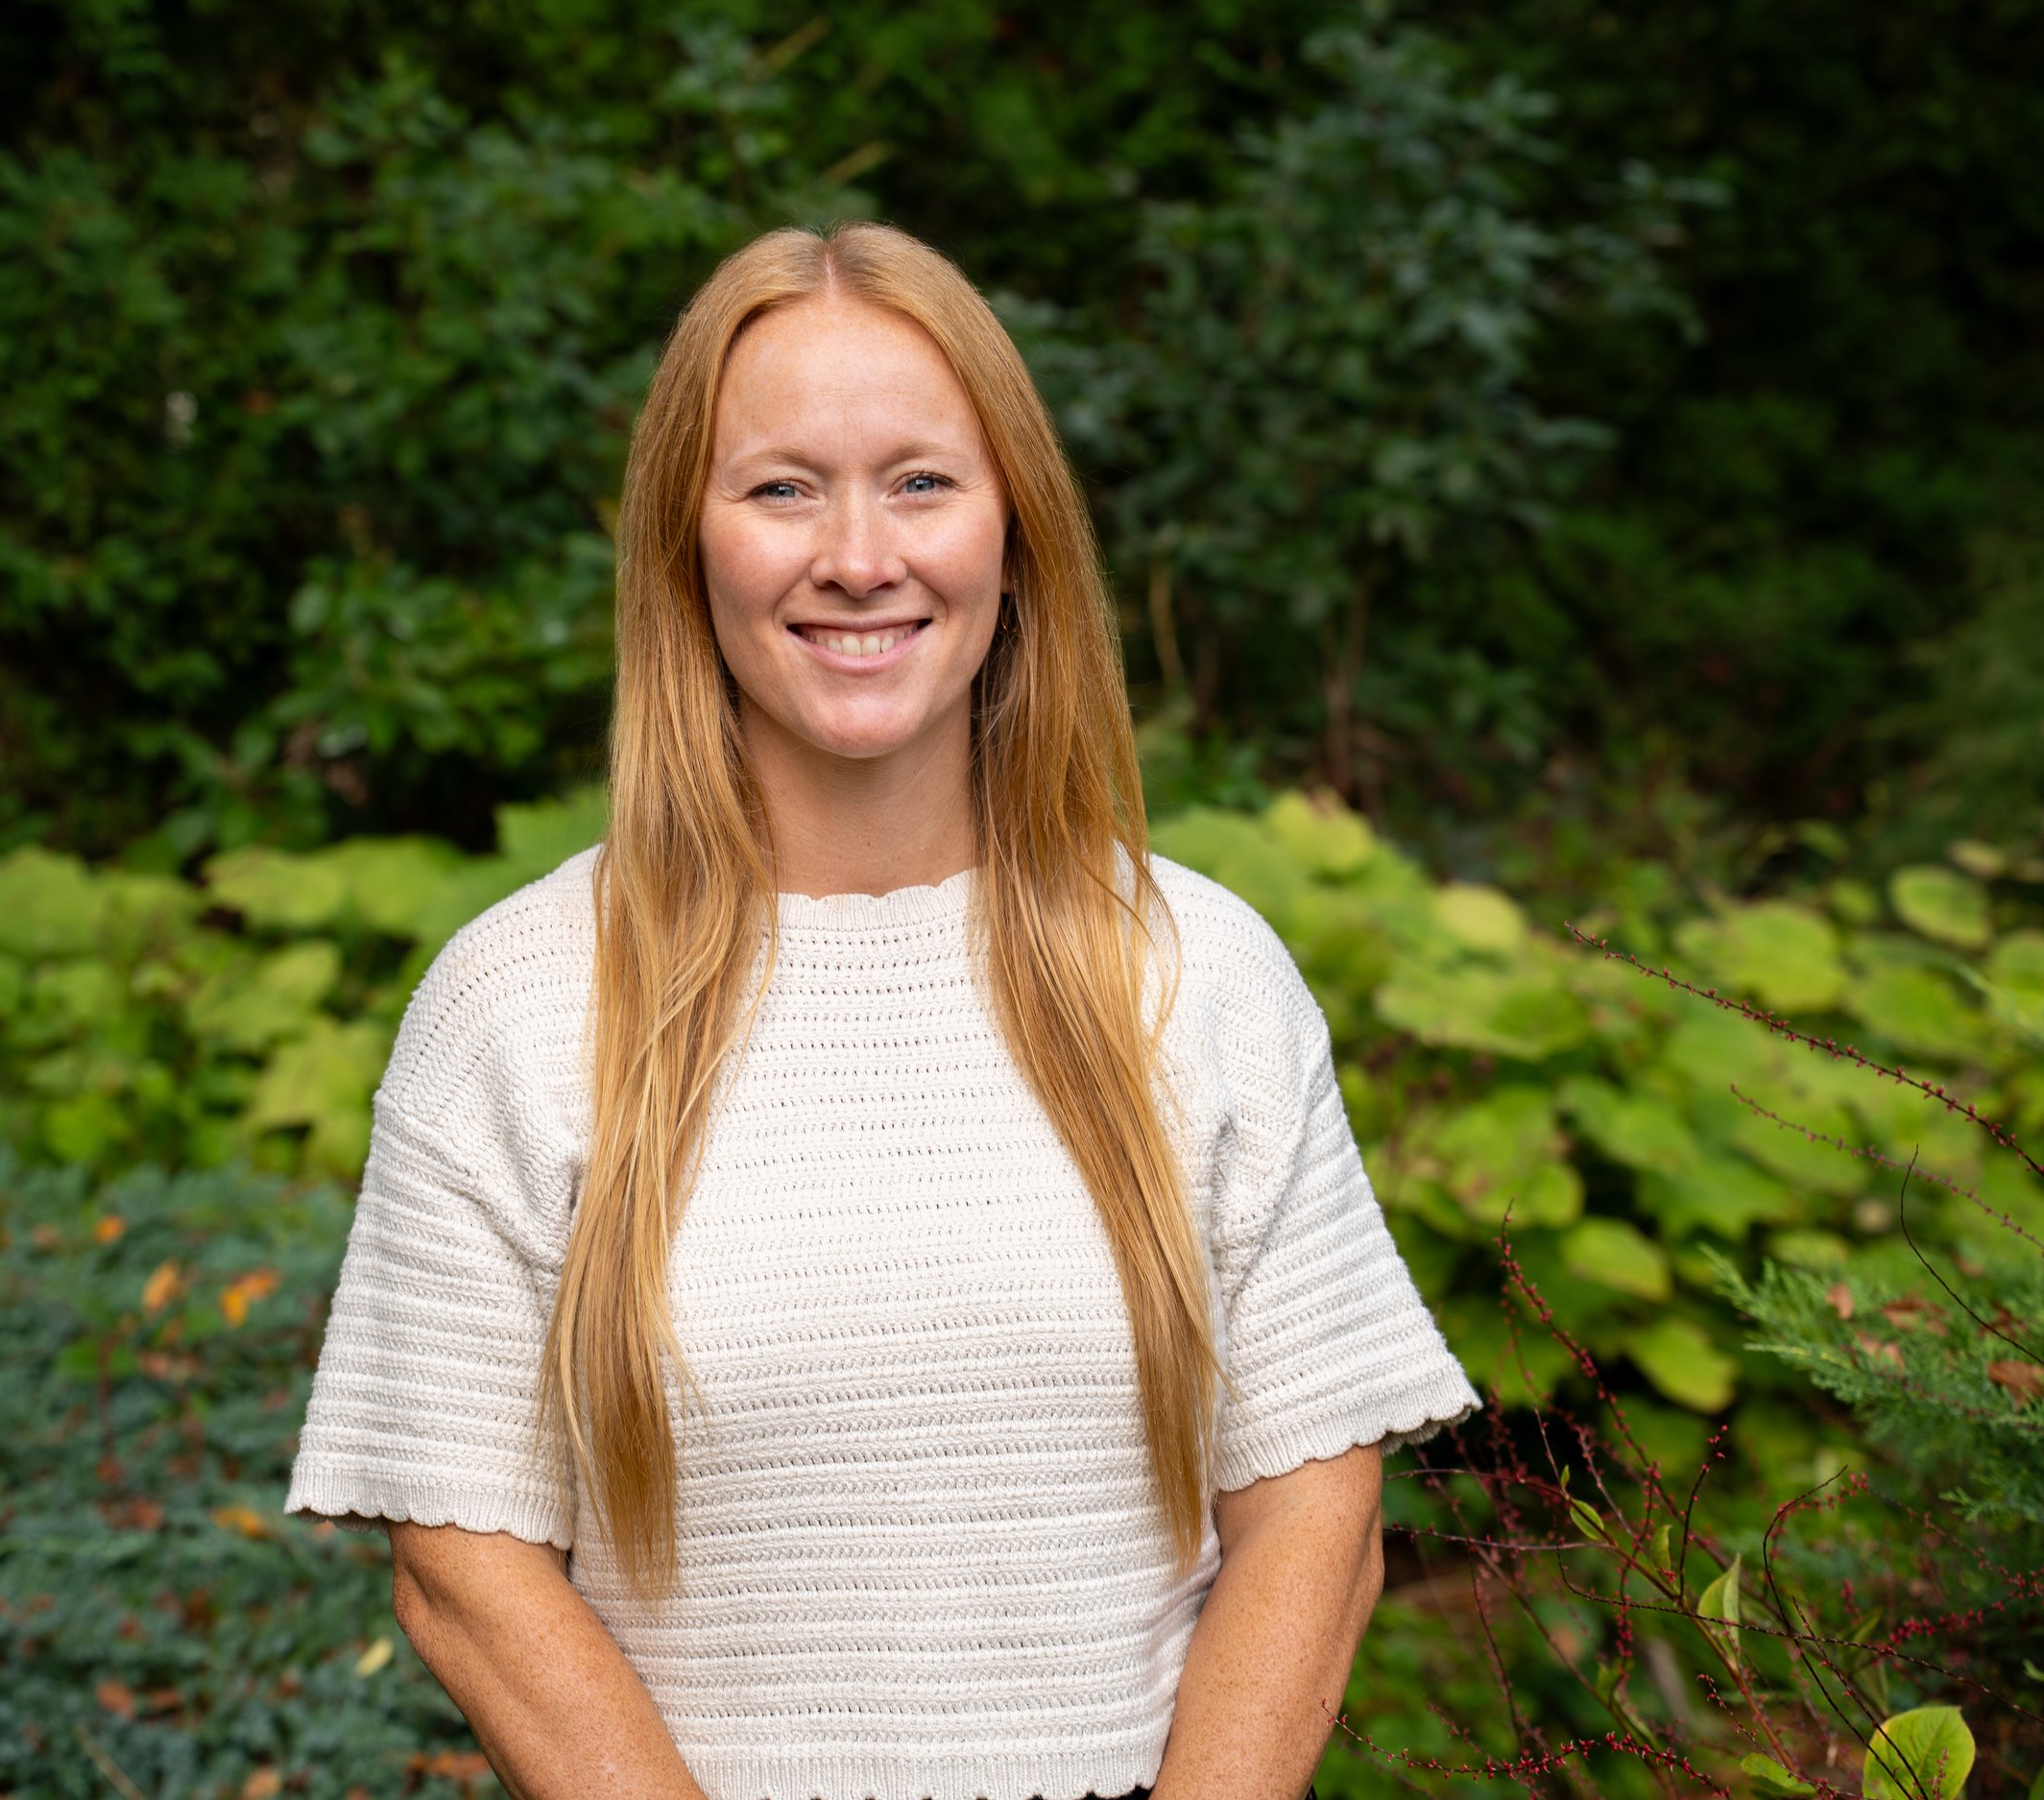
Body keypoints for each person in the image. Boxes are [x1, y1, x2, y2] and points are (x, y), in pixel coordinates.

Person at [283, 220, 1479, 1800]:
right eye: (783, 487)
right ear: (683, 542)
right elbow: (466, 1568)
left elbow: (1314, 1522)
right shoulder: (516, 1002)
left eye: (922, 480)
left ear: (1015, 530)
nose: (860, 555)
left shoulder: (1197, 973)